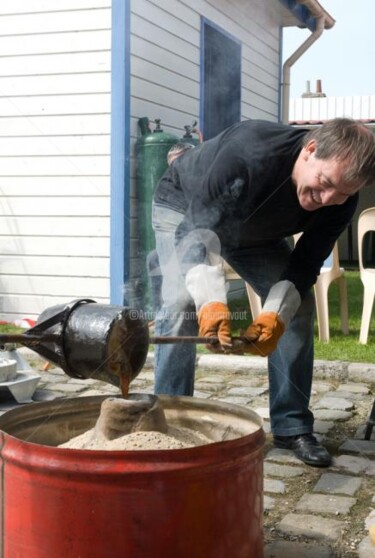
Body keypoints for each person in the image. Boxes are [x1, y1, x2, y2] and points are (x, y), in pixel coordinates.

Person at [151, 118, 375, 467]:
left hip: (258, 233)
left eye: (342, 194)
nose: (328, 200)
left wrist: (275, 315)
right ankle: (168, 422)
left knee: (297, 310)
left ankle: (291, 425)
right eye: (326, 183)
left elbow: (304, 264)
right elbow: (196, 233)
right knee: (182, 306)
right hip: (183, 209)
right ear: (310, 150)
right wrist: (211, 303)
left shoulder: (340, 201)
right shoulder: (249, 150)